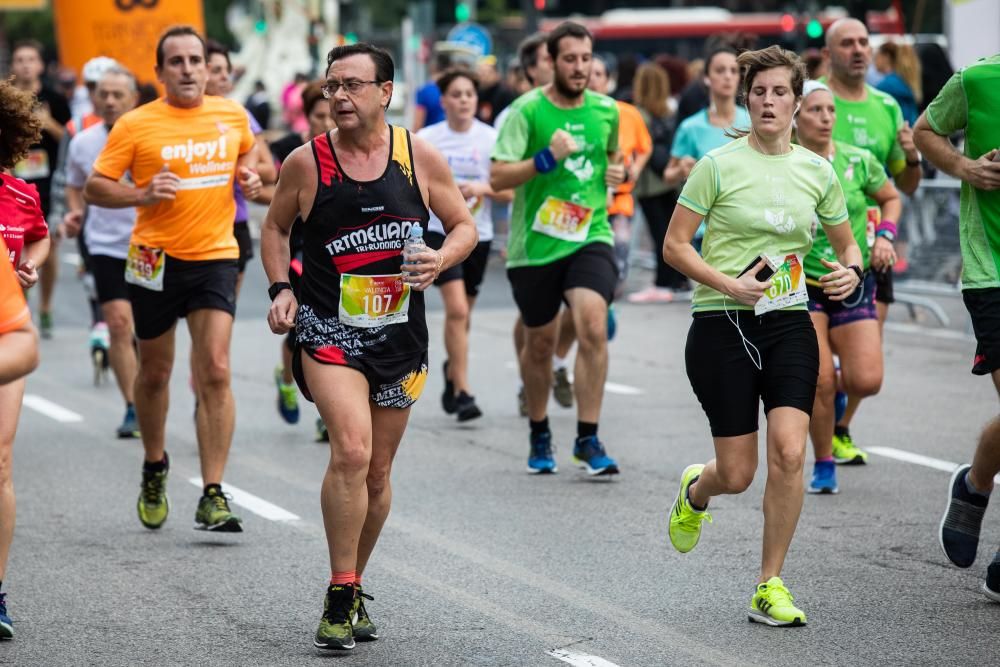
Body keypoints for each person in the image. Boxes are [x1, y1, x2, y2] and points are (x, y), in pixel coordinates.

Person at [260, 42, 477, 650]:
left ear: (386, 92)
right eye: (332, 87)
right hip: (329, 330)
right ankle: (338, 588)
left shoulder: (418, 156)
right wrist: (282, 288)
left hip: (399, 336)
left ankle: (355, 581)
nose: (341, 97)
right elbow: (275, 227)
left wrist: (440, 257)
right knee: (351, 452)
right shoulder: (307, 163)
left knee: (378, 475)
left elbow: (465, 226)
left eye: (353, 85)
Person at [663, 46, 861, 626]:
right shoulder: (717, 165)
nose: (769, 102)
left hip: (789, 319)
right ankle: (698, 490)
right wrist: (730, 283)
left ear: (797, 103)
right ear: (746, 100)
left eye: (780, 93)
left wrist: (851, 266)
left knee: (791, 450)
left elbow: (845, 241)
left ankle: (768, 583)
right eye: (760, 92)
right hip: (721, 321)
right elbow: (674, 246)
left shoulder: (816, 171)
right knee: (738, 473)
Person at [84, 25, 263, 533]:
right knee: (156, 372)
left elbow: (250, 155)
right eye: (177, 62)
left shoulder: (231, 115)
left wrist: (248, 176)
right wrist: (139, 196)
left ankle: (212, 492)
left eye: (196, 60)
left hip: (215, 256)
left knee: (216, 369)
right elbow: (97, 186)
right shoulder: (137, 125)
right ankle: (155, 463)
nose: (188, 69)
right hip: (153, 260)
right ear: (160, 72)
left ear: (209, 69)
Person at [491, 22, 625, 476]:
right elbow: (498, 176)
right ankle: (539, 429)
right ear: (551, 61)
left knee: (592, 323)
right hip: (536, 247)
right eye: (570, 59)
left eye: (586, 58)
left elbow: (614, 159)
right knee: (541, 342)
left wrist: (617, 174)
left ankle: (588, 438)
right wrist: (546, 157)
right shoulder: (526, 111)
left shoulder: (607, 110)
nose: (580, 67)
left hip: (591, 235)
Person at [915, 52, 1000, 603]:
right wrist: (967, 168)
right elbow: (925, 132)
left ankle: (974, 484)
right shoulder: (976, 80)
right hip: (991, 268)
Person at [820, 17, 922, 464]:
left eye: (864, 42)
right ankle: (827, 418)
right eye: (847, 43)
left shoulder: (886, 106)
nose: (858, 50)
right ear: (829, 53)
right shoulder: (813, 102)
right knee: (825, 368)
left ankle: (840, 421)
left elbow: (907, 185)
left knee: (866, 363)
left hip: (871, 249)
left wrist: (914, 155)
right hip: (813, 251)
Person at [794, 80, 902, 493]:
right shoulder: (785, 163)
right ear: (796, 118)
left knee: (865, 381)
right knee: (818, 381)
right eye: (814, 111)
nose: (825, 118)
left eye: (830, 110)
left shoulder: (857, 160)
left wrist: (886, 236)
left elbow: (891, 197)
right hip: (801, 284)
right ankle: (824, 462)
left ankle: (835, 393)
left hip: (851, 277)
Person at [418, 69, 512, 421]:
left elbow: (510, 190)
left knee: (465, 314)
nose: (463, 101)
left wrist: (482, 189)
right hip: (438, 232)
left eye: (469, 94)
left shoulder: (491, 139)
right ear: (443, 102)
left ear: (478, 100)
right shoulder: (427, 139)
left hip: (478, 233)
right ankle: (463, 391)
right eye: (456, 95)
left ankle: (451, 370)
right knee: (457, 310)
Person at [63, 65, 142, 439]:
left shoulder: (151, 136)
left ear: (133, 99)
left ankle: (146, 389)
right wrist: (76, 211)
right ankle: (132, 406)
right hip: (104, 245)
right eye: (103, 95)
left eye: (117, 95)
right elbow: (75, 186)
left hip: (149, 245)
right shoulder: (82, 143)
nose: (109, 101)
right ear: (94, 99)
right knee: (118, 324)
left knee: (146, 330)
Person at [0, 78, 46, 639]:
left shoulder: (19, 194)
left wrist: (27, 265)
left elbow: (38, 238)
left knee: (1, 460)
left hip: (6, 333)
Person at [267, 80, 335, 432]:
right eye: (319, 115)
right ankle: (287, 378)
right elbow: (274, 193)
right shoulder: (291, 152)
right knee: (302, 330)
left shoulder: (345, 151)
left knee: (333, 330)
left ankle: (329, 413)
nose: (327, 123)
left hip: (335, 253)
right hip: (297, 251)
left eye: (331, 116)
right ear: (306, 117)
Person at [204, 40, 277, 297]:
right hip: (188, 227)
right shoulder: (173, 119)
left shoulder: (239, 115)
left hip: (233, 223)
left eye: (227, 70)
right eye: (216, 70)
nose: (224, 76)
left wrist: (232, 162)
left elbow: (269, 170)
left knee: (223, 311)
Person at [10, 39, 71, 340]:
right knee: (11, 244)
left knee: (46, 243)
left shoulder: (55, 99)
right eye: (19, 59)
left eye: (30, 59)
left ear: (41, 65)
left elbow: (70, 140)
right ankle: (17, 302)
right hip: (11, 180)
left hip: (46, 183)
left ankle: (45, 305)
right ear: (13, 65)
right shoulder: (4, 99)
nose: (25, 65)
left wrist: (47, 123)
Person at [588, 54, 651, 294]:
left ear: (609, 80)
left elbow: (645, 146)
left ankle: (608, 297)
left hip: (619, 199)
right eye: (588, 74)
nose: (592, 80)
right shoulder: (574, 116)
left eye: (598, 74)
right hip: (586, 200)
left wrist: (635, 168)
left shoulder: (627, 113)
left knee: (620, 248)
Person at [630, 62, 689, 303]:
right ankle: (679, 281)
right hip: (671, 181)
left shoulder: (638, 114)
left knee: (659, 235)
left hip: (649, 185)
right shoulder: (669, 113)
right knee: (671, 233)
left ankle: (662, 284)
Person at [875, 41, 922, 127]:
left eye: (876, 56)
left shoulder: (885, 87)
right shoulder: (904, 80)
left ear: (886, 57)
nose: (874, 61)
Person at [412, 51, 450, 131]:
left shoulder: (424, 91)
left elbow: (418, 123)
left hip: (430, 140)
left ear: (432, 66)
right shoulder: (454, 90)